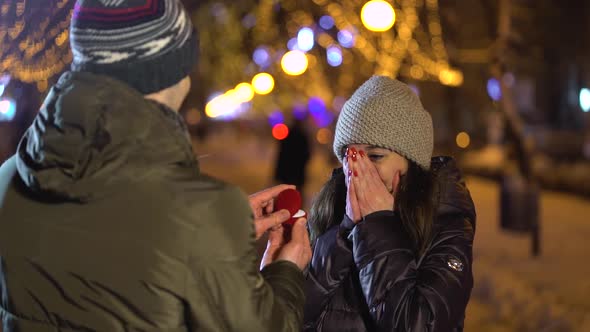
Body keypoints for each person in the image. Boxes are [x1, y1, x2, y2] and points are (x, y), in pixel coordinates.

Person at [0, 1, 311, 331]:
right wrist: (285, 271)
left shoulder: (8, 178)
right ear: (170, 73)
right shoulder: (199, 213)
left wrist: (215, 234)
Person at [303, 76, 476, 331]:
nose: (360, 172)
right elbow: (292, 315)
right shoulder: (328, 212)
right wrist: (342, 236)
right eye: (351, 158)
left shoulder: (445, 219)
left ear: (411, 162)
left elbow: (418, 324)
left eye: (375, 156)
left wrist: (377, 227)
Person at [273, 118, 311, 199]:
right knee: (297, 193)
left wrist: (277, 174)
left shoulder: (288, 136)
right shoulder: (303, 137)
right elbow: (307, 155)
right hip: (298, 172)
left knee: (285, 193)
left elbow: (281, 155)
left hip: (286, 171)